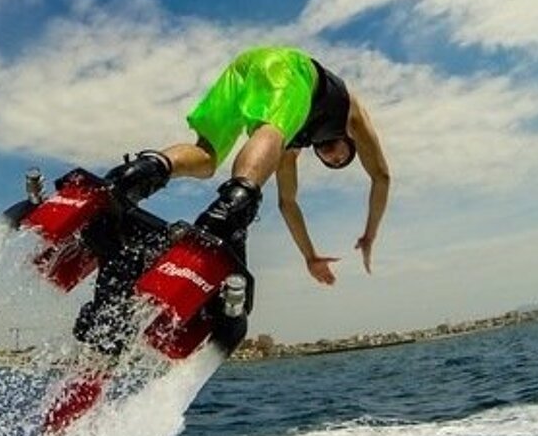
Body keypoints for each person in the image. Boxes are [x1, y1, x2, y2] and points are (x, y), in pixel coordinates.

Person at [103, 45, 391, 284]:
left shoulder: (290, 146)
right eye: (343, 156)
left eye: (333, 163)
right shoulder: (352, 116)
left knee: (206, 156)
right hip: (285, 66)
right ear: (350, 141)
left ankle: (135, 175)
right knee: (272, 130)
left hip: (242, 68)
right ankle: (231, 207)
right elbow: (381, 177)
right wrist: (370, 234)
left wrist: (310, 256)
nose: (335, 158)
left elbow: (288, 203)